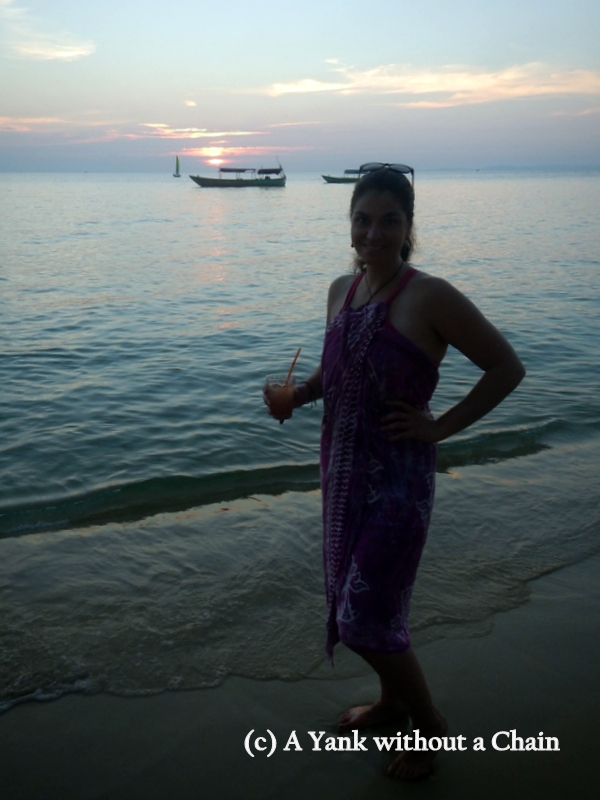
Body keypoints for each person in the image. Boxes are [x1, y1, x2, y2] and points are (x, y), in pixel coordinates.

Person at [264, 163, 525, 780]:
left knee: (363, 617)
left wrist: (440, 427)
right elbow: (334, 373)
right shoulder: (341, 290)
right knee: (362, 603)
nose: (373, 233)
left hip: (399, 485)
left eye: (389, 221)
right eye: (362, 220)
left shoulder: (429, 295)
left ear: (409, 226)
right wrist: (297, 395)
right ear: (349, 222)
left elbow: (506, 368)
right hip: (342, 477)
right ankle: (390, 704)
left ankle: (428, 725)